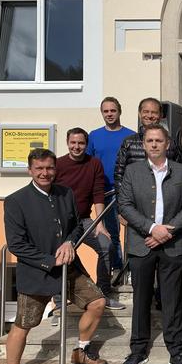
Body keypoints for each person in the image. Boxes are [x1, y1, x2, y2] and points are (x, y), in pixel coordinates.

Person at [3, 149, 108, 364]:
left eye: (49, 168)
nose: (44, 173)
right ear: (30, 170)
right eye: (39, 168)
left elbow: (74, 227)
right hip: (36, 272)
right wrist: (50, 261)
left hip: (69, 267)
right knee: (24, 323)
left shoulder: (66, 193)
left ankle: (81, 350)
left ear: (55, 169)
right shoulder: (15, 201)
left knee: (97, 302)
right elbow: (17, 245)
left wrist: (70, 243)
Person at [117, 124, 182, 364]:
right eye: (149, 140)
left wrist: (167, 232)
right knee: (141, 299)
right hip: (141, 245)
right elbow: (125, 204)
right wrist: (152, 228)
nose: (154, 144)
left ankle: (176, 352)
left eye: (158, 140)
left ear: (167, 144)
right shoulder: (132, 171)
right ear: (144, 145)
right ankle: (138, 350)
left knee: (172, 300)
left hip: (172, 246)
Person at [55, 127, 124, 310]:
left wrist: (99, 223)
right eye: (73, 143)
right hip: (61, 222)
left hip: (84, 219)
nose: (77, 147)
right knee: (60, 253)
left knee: (106, 245)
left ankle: (103, 291)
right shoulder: (58, 164)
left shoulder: (94, 164)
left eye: (81, 143)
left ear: (86, 144)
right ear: (67, 143)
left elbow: (98, 193)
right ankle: (59, 302)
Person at [87, 97, 135, 271]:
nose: (109, 114)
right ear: (102, 113)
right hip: (104, 192)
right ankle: (116, 268)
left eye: (112, 110)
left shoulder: (131, 135)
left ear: (119, 111)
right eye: (106, 111)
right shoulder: (94, 135)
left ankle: (130, 268)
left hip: (126, 190)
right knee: (111, 232)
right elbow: (88, 163)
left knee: (131, 231)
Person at [114, 97, 181, 195]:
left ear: (161, 115)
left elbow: (178, 174)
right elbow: (119, 175)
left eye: (154, 112)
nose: (150, 116)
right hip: (135, 201)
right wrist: (123, 204)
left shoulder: (171, 143)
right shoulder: (128, 142)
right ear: (139, 114)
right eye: (146, 111)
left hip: (164, 199)